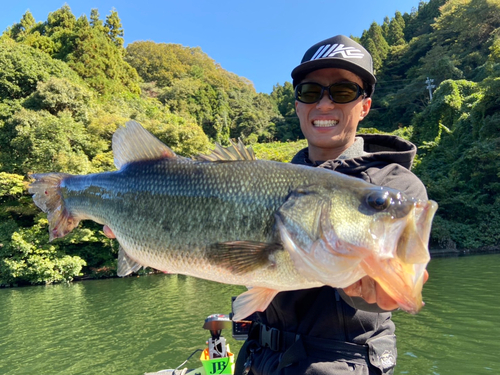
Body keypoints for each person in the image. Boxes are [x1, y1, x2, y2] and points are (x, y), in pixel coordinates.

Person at [233, 35, 429, 375]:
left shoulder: (393, 187)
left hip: (337, 363)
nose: (324, 104)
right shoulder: (267, 182)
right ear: (297, 105)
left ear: (365, 105)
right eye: (310, 92)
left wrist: (379, 286)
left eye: (342, 92)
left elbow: (382, 285)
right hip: (257, 359)